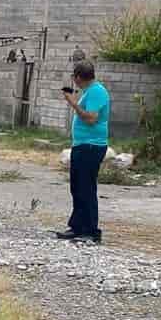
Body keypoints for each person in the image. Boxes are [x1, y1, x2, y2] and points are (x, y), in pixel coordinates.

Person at [57, 61, 110, 243]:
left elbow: (91, 119)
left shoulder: (96, 91)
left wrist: (73, 103)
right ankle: (77, 227)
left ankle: (91, 231)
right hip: (82, 145)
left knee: (86, 188)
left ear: (78, 77)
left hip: (91, 146)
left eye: (74, 77)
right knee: (77, 187)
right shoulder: (90, 91)